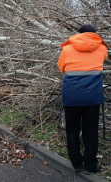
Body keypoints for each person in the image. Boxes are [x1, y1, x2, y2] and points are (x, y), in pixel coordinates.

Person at [58, 24, 108, 175]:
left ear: (78, 34)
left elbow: (62, 68)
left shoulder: (67, 49)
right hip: (93, 98)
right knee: (91, 131)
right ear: (94, 34)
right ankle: (90, 166)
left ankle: (76, 163)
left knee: (72, 130)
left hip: (71, 98)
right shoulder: (102, 48)